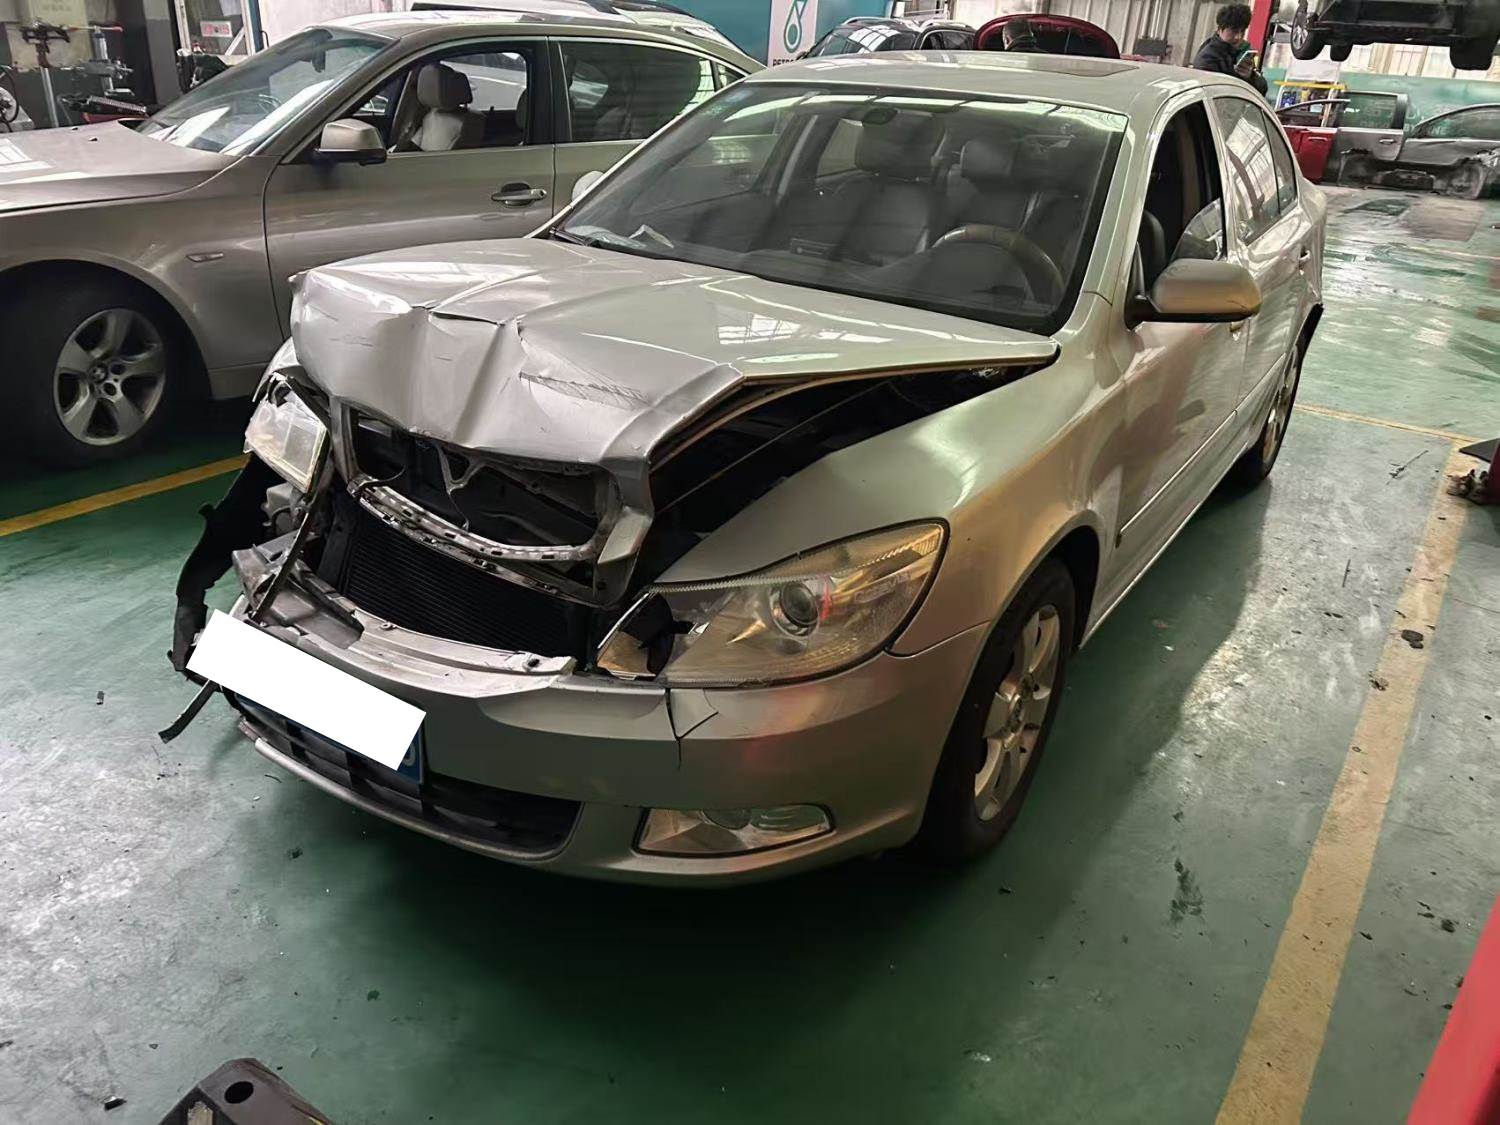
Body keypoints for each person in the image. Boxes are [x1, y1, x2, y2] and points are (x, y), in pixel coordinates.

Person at [1193, 4, 1268, 93]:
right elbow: (1212, 91)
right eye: (1233, 31)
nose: (1238, 37)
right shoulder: (1207, 57)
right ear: (1220, 29)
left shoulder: (1243, 51)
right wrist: (1239, 77)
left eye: (1242, 31)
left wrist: (1251, 77)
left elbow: (1263, 89)